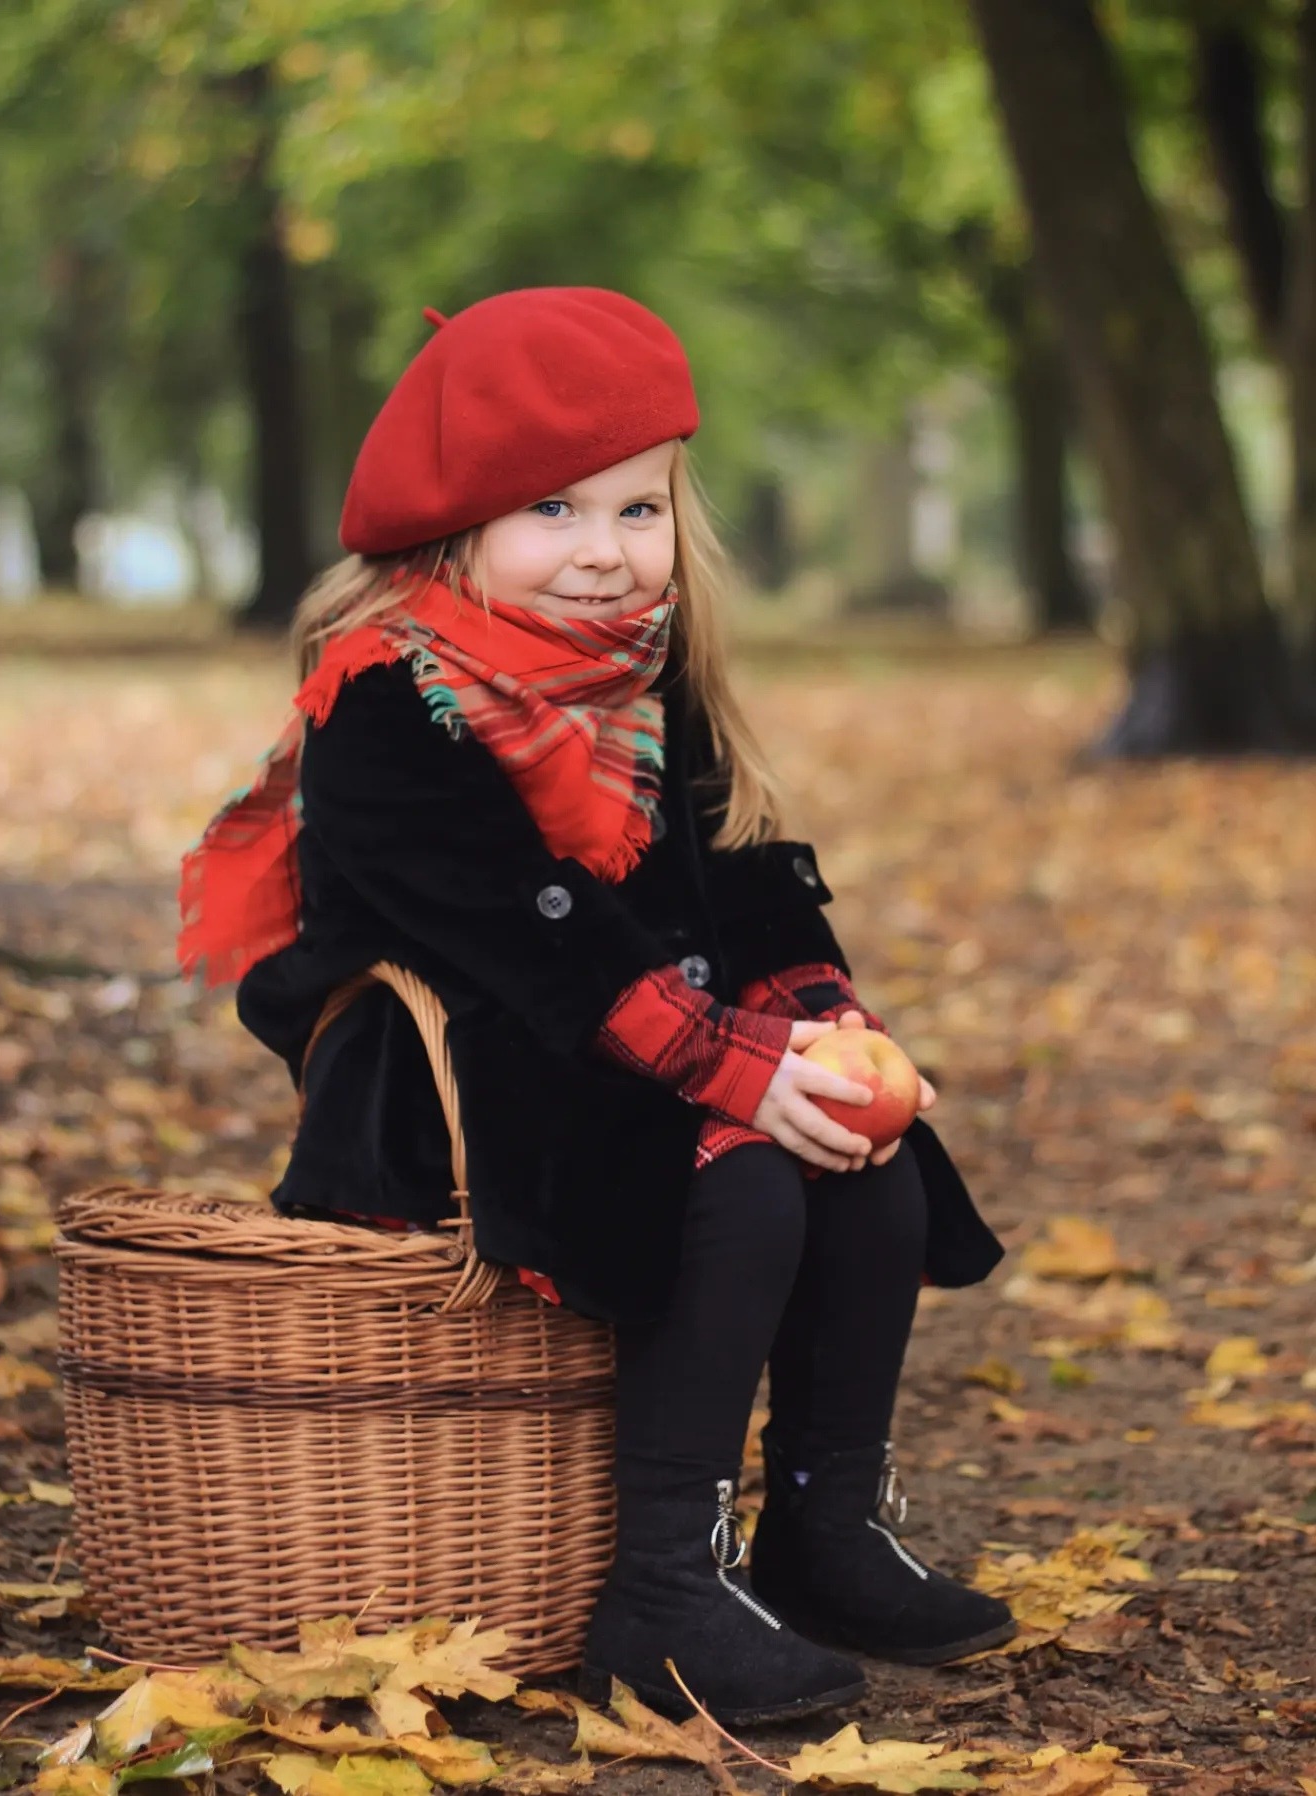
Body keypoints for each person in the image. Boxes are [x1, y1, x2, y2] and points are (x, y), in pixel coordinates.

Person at [178, 287, 1014, 1729]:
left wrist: (821, 1028)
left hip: (626, 1058)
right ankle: (662, 1586)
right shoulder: (393, 700)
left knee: (873, 1167)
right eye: (553, 510)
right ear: (452, 526)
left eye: (637, 512)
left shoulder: (648, 679)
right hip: (453, 1091)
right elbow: (517, 937)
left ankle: (823, 1528)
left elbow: (746, 884)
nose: (605, 553)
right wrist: (738, 1075)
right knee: (747, 1181)